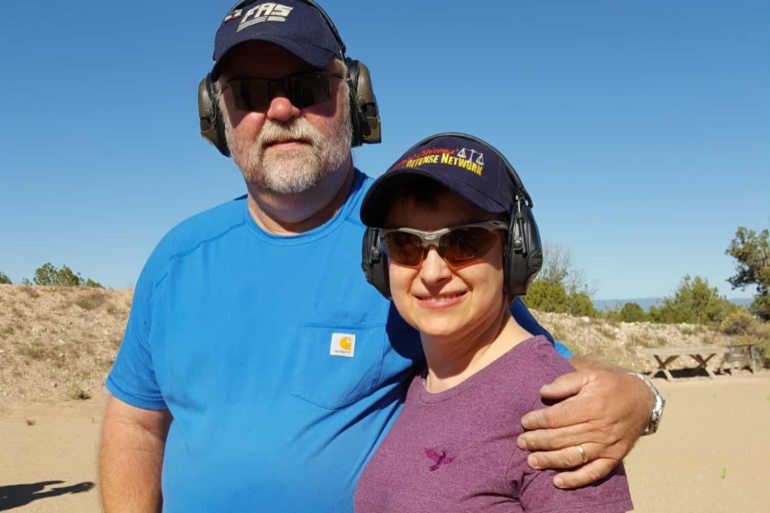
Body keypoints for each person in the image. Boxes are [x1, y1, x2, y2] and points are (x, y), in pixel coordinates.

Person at [99, 1, 663, 512]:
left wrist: (644, 396)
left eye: (306, 85)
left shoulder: (408, 242)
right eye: (248, 92)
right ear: (215, 115)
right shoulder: (176, 259)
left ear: (353, 96)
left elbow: (543, 376)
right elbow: (136, 423)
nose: (280, 107)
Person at [354, 134, 634, 512]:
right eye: (405, 244)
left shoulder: (556, 409)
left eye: (465, 242)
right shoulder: (422, 381)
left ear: (515, 253)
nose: (432, 273)